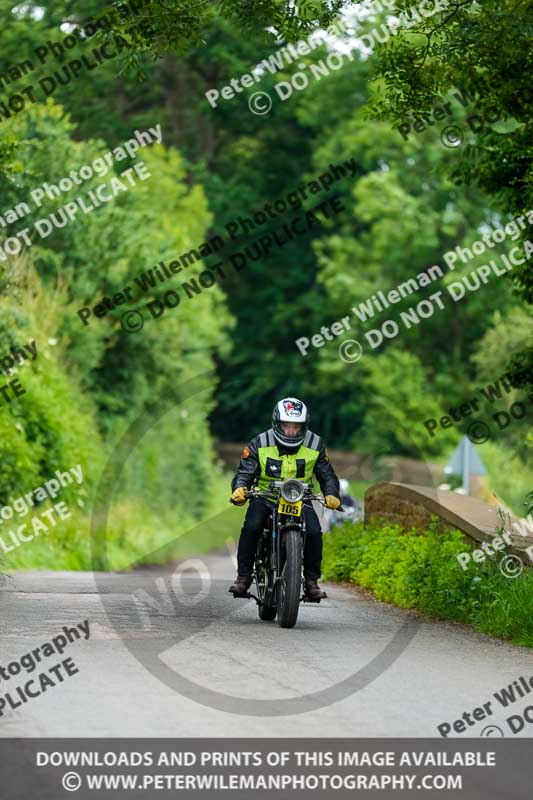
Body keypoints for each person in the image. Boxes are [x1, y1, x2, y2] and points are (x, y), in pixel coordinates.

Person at [229, 397, 341, 601]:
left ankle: (311, 582)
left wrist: (331, 493)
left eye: (296, 426)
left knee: (315, 532)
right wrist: (240, 489)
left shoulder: (315, 444)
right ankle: (243, 577)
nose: (291, 431)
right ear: (277, 424)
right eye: (286, 425)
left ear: (304, 426)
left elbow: (327, 474)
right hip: (265, 497)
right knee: (252, 526)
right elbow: (244, 472)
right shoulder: (259, 442)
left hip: (300, 499)